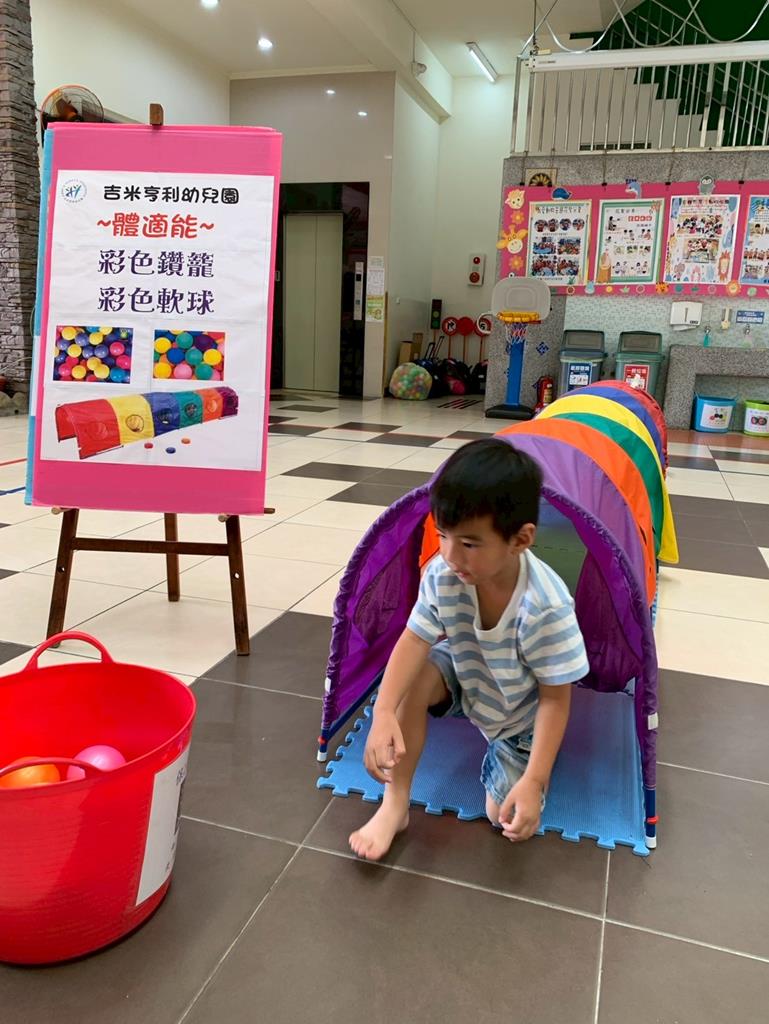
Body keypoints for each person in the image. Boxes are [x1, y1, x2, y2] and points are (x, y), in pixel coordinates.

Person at [349, 439, 589, 861]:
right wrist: (383, 711)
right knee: (411, 680)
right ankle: (394, 804)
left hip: (519, 716)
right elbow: (414, 639)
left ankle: (526, 764)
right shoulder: (444, 574)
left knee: (503, 816)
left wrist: (534, 780)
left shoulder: (545, 606)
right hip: (467, 671)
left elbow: (555, 698)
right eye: (442, 535)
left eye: (469, 543)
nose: (449, 554)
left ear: (520, 539)